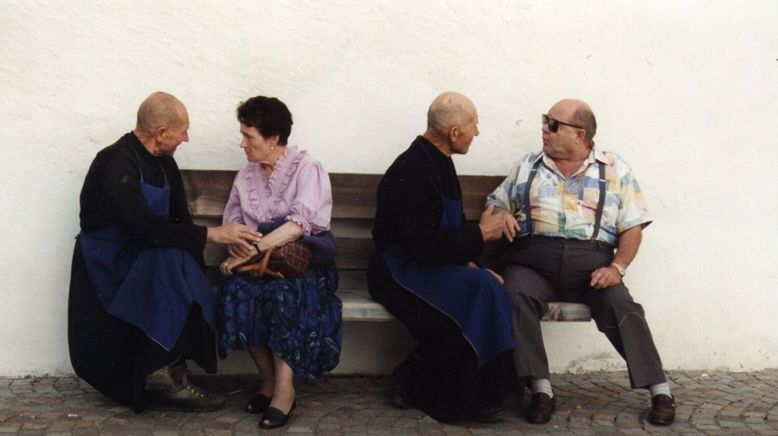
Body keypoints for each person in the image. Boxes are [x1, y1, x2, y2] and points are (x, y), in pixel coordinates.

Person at [485, 98, 676, 426]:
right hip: (532, 263)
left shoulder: (615, 169)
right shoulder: (528, 165)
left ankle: (660, 390)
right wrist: (501, 214)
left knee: (620, 303)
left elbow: (632, 226)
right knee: (513, 293)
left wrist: (617, 268)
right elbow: (494, 205)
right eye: (546, 120)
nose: (545, 128)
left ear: (580, 134)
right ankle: (540, 388)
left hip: (592, 266)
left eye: (554, 124)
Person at [69, 91, 262, 412]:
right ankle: (162, 375)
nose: (186, 138)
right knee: (173, 264)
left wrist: (208, 261)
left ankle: (169, 371)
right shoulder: (114, 161)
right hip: (110, 262)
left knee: (183, 268)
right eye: (182, 131)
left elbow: (179, 223)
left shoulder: (165, 164)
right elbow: (141, 227)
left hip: (151, 254)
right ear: (160, 133)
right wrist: (215, 234)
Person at [367, 92, 515, 423]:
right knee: (478, 293)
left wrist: (473, 262)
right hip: (398, 271)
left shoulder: (440, 160)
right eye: (473, 125)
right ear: (454, 132)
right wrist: (480, 235)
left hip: (430, 264)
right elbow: (419, 244)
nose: (476, 132)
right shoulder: (409, 170)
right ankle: (428, 384)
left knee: (488, 287)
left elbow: (450, 227)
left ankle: (488, 391)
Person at [219, 96, 342, 430]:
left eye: (249, 136)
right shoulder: (245, 177)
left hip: (303, 264)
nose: (242, 143)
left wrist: (257, 248)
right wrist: (237, 255)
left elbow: (299, 226)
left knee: (285, 293)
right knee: (236, 292)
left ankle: (285, 391)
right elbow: (235, 224)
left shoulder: (307, 168)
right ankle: (269, 381)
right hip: (260, 263)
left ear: (273, 139)